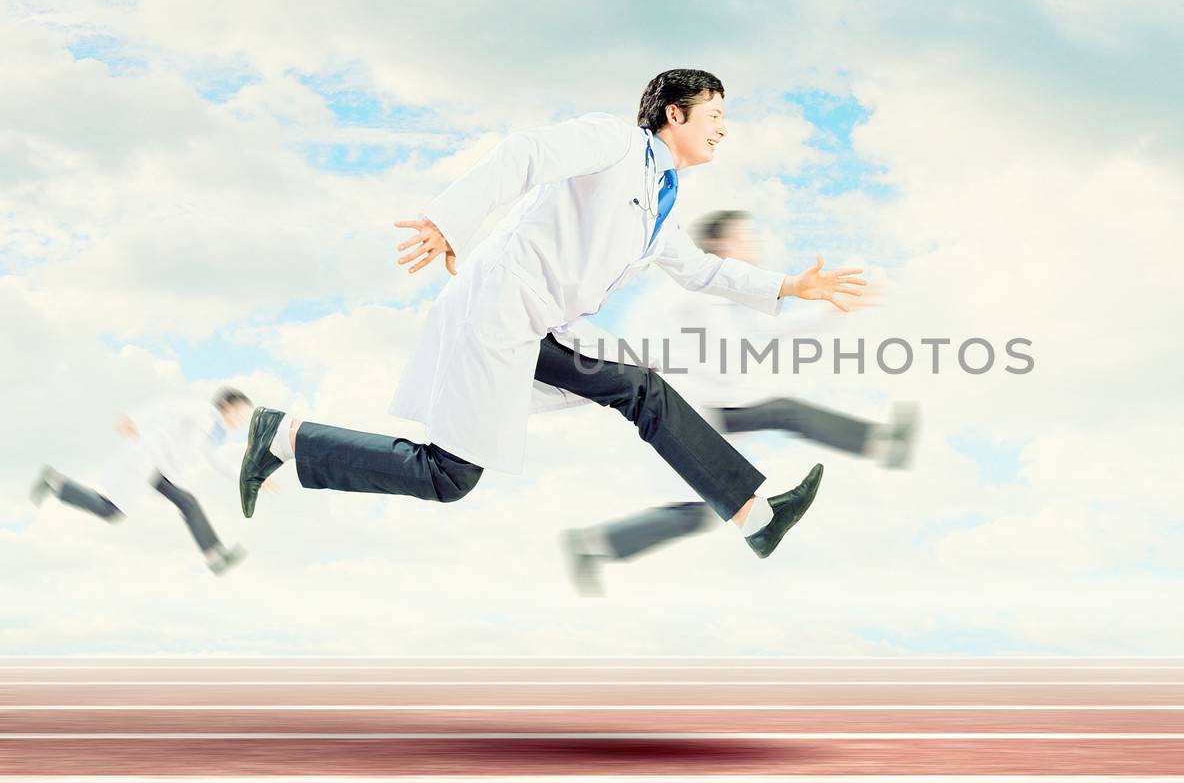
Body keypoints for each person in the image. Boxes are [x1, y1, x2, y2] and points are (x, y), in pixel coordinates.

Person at [238, 69, 868, 560]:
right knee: (449, 476)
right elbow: (526, 153)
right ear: (674, 114)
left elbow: (702, 269)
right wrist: (449, 222)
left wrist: (791, 285)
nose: (723, 128)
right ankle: (285, 436)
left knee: (640, 388)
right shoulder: (615, 142)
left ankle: (754, 517)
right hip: (499, 310)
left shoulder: (659, 203)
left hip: (536, 327)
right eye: (715, 114)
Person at [561, 209, 919, 595]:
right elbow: (639, 355)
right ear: (718, 245)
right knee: (780, 418)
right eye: (742, 238)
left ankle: (595, 545)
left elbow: (774, 330)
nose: (752, 247)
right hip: (685, 412)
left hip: (708, 410)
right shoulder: (683, 296)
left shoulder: (724, 301)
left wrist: (830, 311)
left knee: (695, 513)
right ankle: (881, 443)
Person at [30, 387, 253, 575]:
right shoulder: (202, 412)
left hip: (159, 469)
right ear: (226, 406)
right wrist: (134, 419)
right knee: (111, 511)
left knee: (187, 501)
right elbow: (168, 406)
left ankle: (215, 556)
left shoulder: (213, 432)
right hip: (148, 459)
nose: (241, 421)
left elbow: (217, 460)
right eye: (240, 414)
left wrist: (250, 480)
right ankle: (54, 481)